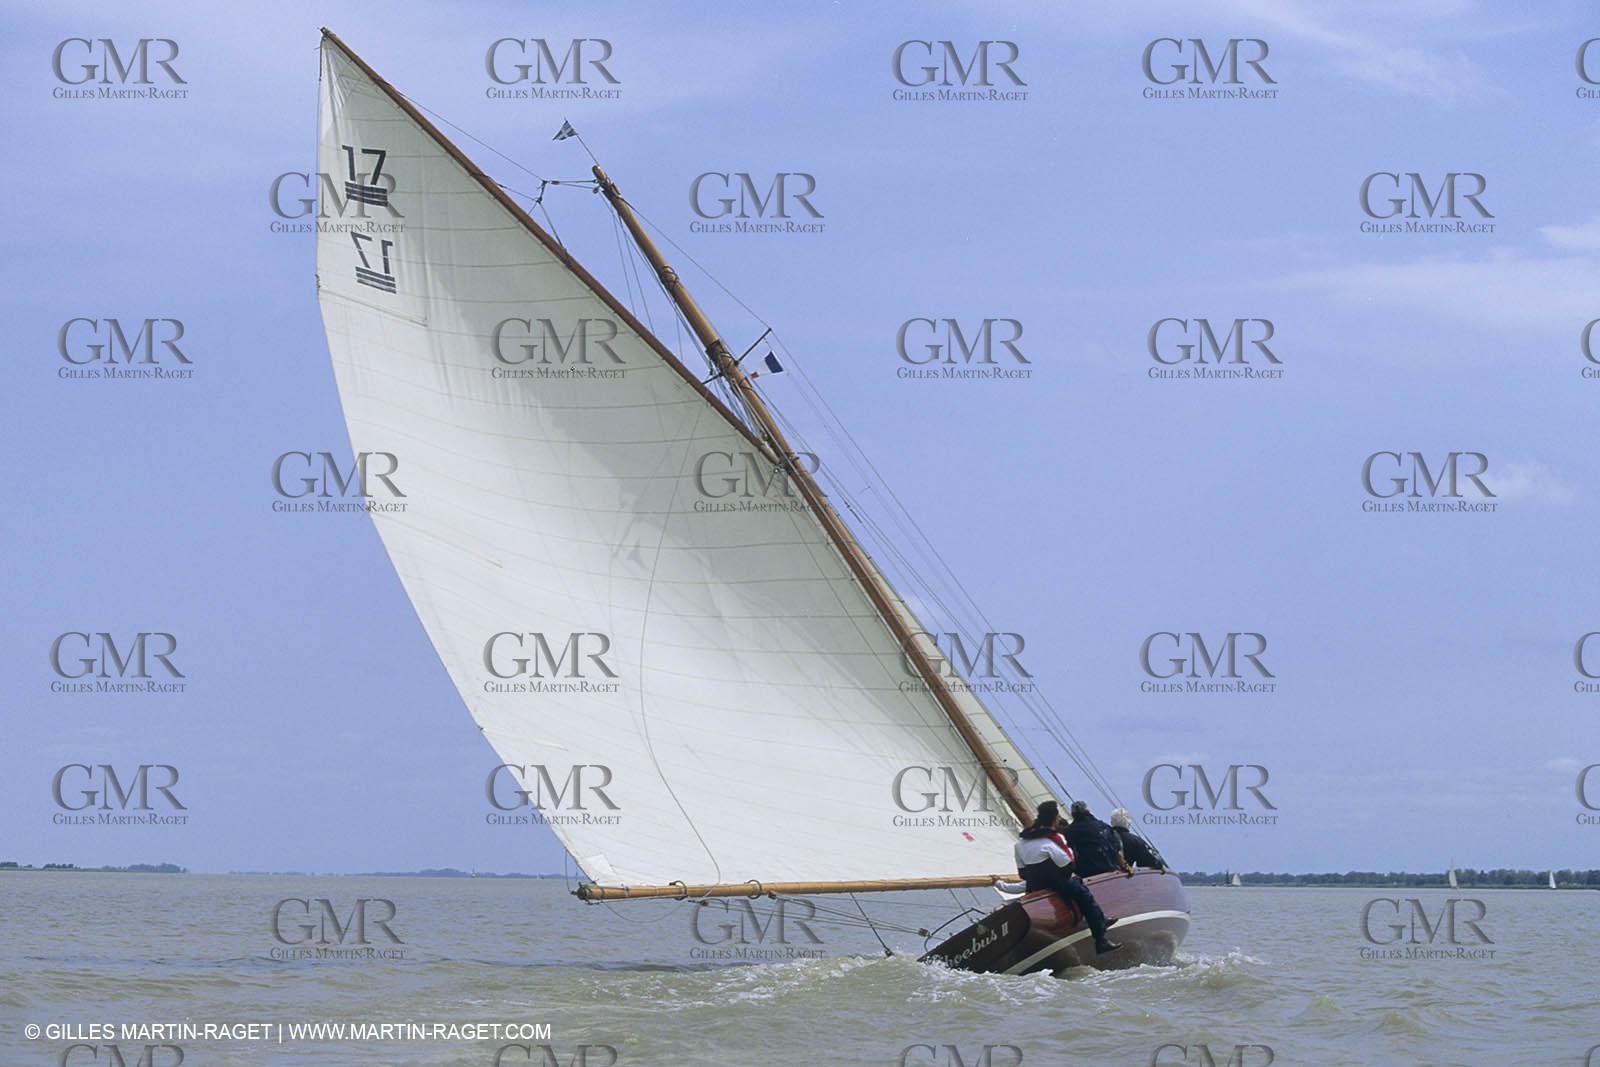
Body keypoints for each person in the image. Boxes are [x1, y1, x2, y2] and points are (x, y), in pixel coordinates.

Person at [1006, 800, 1121, 954]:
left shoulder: (1019, 845)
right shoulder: (1055, 839)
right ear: (1055, 819)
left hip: (1034, 886)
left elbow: (1023, 873)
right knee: (1083, 893)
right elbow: (1068, 865)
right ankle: (1101, 938)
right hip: (1058, 883)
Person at [1063, 800, 1134, 879]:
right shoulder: (1104, 826)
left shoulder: (1070, 831)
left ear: (1073, 815)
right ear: (1088, 811)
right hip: (1112, 872)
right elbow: (1118, 852)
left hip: (1089, 876)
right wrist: (1125, 866)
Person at [1109, 808, 1168, 872]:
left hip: (1101, 877)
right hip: (1125, 877)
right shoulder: (1136, 841)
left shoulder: (1104, 837)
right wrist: (1160, 866)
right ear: (1128, 823)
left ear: (1112, 822)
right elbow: (1147, 861)